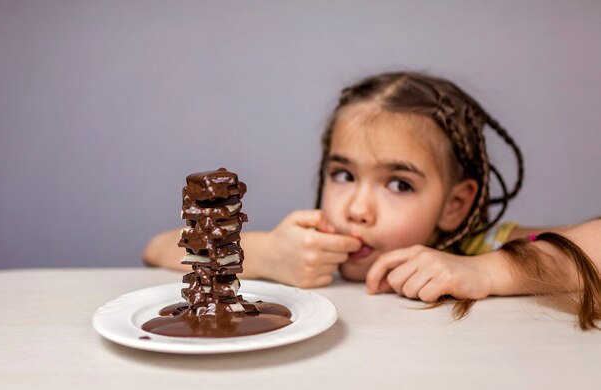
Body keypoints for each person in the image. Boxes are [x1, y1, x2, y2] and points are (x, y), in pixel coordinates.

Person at [144, 72, 601, 330]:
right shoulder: (310, 244)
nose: (357, 208)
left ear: (455, 205)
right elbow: (158, 247)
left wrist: (489, 270)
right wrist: (265, 254)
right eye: (343, 175)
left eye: (399, 184)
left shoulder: (483, 246)